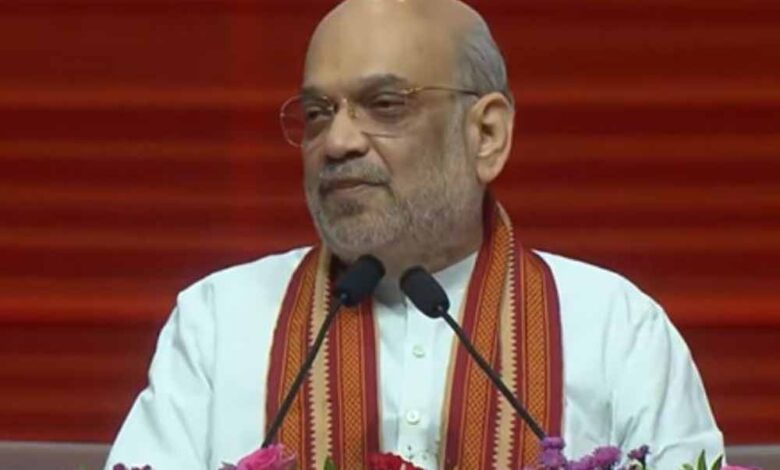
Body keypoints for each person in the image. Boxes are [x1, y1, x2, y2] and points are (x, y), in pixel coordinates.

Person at [105, 0, 724, 469]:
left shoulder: (616, 329)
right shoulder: (219, 321)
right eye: (318, 113)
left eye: (386, 105)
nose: (338, 142)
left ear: (486, 135)